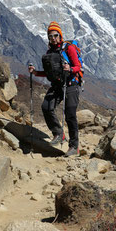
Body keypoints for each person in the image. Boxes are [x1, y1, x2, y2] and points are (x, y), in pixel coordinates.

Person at [28, 21, 82, 157]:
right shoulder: (50, 52)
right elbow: (49, 73)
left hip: (71, 85)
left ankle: (74, 146)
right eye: (50, 36)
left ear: (60, 35)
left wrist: (70, 68)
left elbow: (78, 66)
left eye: (55, 35)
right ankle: (58, 133)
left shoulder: (68, 48)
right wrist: (35, 73)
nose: (53, 39)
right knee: (46, 107)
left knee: (70, 115)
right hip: (57, 85)